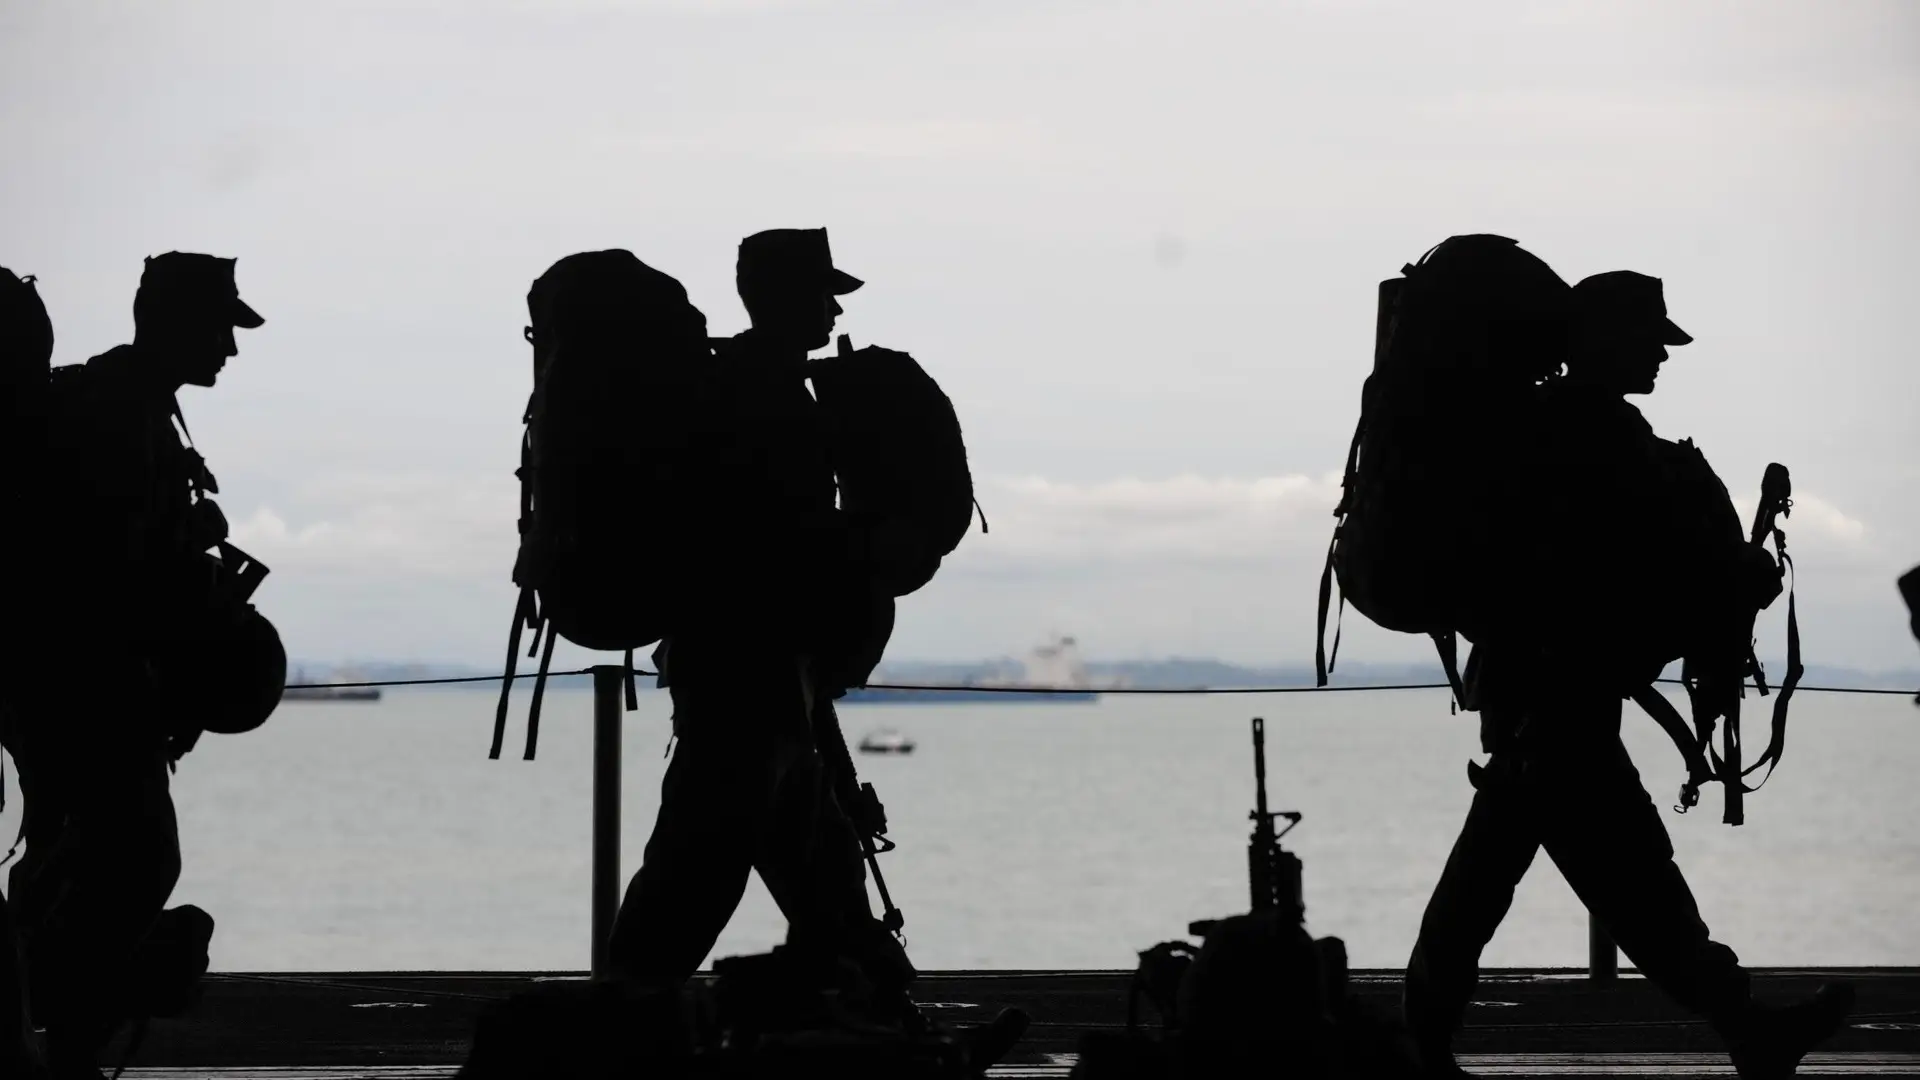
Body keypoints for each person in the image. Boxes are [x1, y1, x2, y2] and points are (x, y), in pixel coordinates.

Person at [1402, 269, 1855, 1079]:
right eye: (1651, 340)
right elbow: (1628, 568)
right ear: (1604, 341)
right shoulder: (1591, 435)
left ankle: (1423, 1042)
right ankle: (1747, 1028)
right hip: (1555, 695)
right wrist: (1738, 579)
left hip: (1540, 691)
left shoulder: (1562, 427)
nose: (1662, 356)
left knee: (1523, 877)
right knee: (1629, 881)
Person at [605, 228, 913, 1018]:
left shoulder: (759, 387)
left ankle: (886, 1019)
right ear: (779, 297)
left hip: (768, 680)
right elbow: (774, 547)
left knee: (822, 878)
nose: (834, 310)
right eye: (823, 294)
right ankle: (612, 1029)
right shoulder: (757, 396)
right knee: (695, 879)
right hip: (746, 679)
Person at [3, 252, 257, 1079]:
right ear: (173, 323)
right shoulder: (117, 412)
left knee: (67, 860)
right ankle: (70, 1040)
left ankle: (42, 1029)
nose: (230, 348)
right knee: (143, 857)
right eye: (219, 328)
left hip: (69, 682)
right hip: (83, 683)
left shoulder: (136, 406)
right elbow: (102, 570)